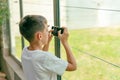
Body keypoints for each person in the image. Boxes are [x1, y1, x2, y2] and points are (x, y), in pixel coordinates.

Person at [19, 15, 77, 80]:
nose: (48, 32)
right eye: (46, 30)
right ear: (40, 36)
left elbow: (40, 58)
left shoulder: (25, 51)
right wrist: (65, 42)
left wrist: (47, 42)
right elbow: (73, 66)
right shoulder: (45, 58)